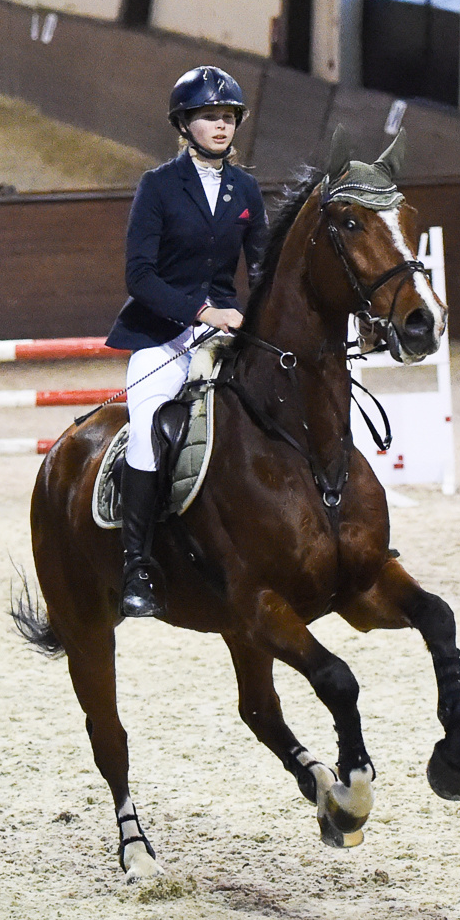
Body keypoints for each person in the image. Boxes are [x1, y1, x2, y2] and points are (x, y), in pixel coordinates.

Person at [104, 66, 270, 618]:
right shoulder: (158, 186)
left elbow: (263, 268)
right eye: (208, 117)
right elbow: (139, 275)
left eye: (228, 117)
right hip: (162, 334)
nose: (221, 126)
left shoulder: (245, 189)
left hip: (224, 333)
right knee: (151, 426)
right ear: (185, 124)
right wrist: (201, 311)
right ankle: (137, 566)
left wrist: (259, 318)